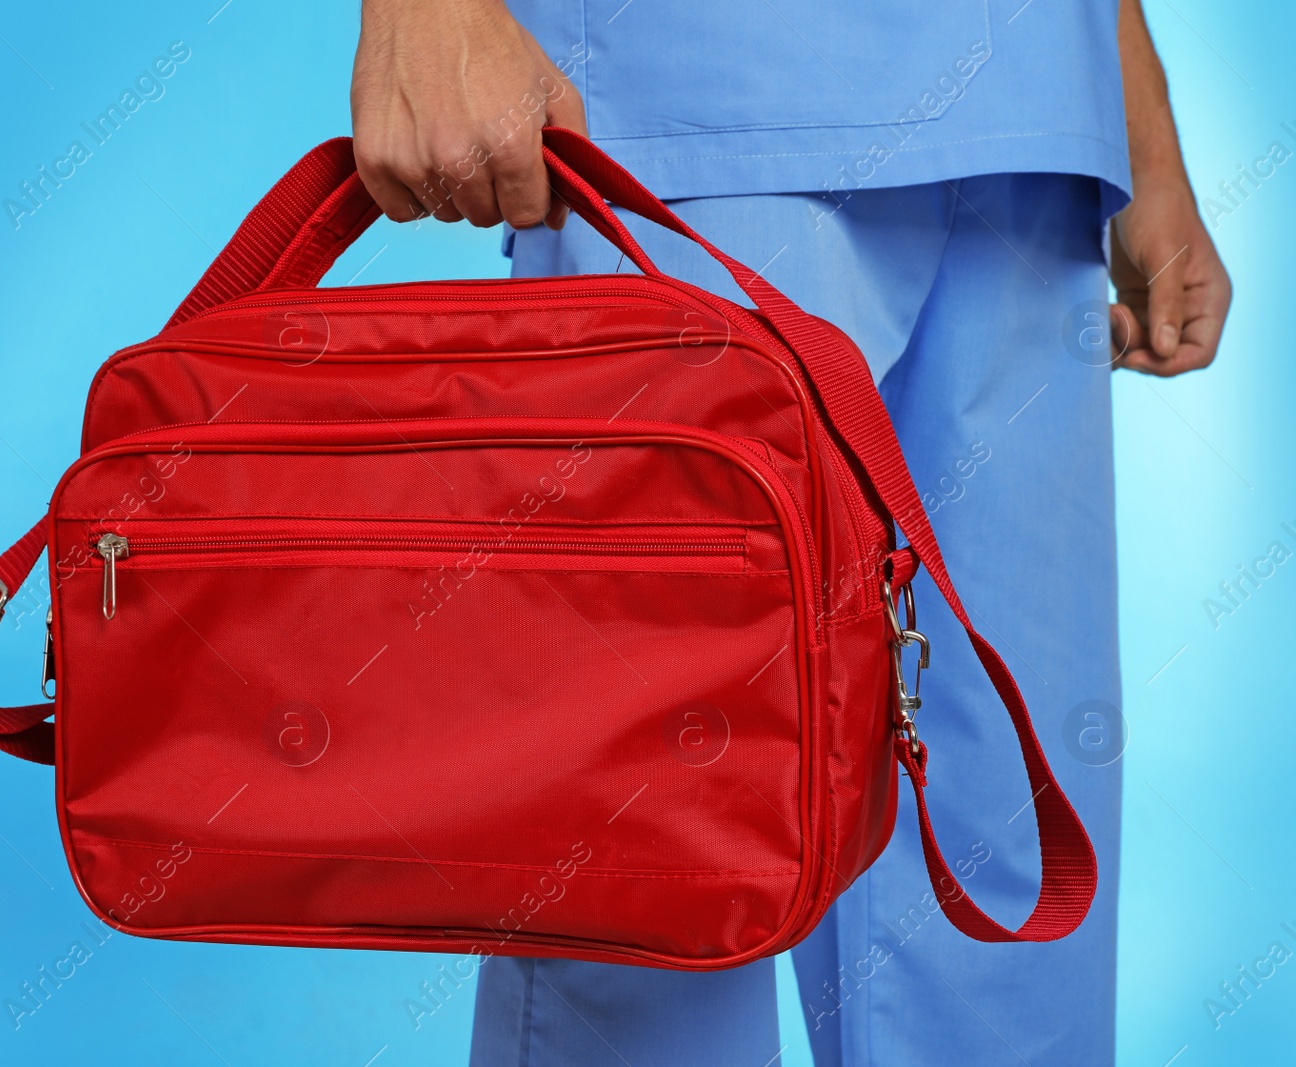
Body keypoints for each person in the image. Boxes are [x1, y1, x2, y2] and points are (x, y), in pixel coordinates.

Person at [350, 1, 1230, 1064]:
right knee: (658, 877)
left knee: (1000, 880)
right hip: (703, 102)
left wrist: (1136, 117)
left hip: (1033, 126)